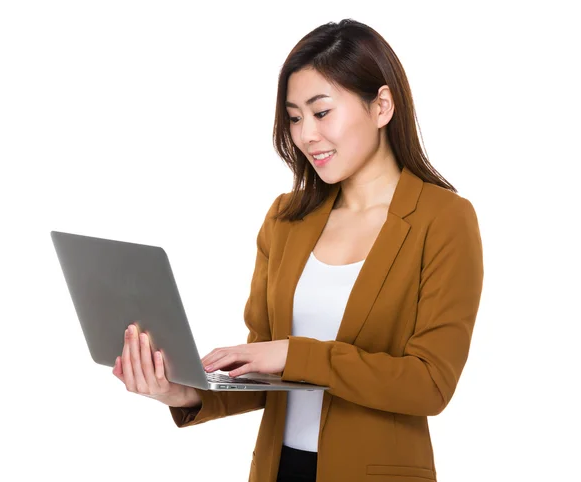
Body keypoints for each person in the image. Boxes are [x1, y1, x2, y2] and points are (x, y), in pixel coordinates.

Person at [112, 18, 484, 482]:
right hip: (278, 470)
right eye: (293, 117)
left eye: (321, 112)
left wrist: (296, 353)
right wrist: (184, 392)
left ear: (382, 105)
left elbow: (430, 384)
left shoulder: (443, 219)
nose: (305, 134)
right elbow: (263, 371)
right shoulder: (287, 218)